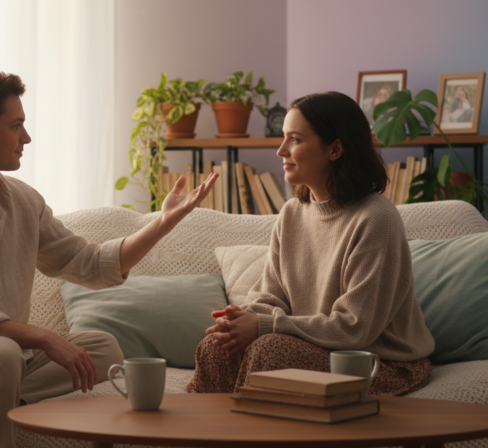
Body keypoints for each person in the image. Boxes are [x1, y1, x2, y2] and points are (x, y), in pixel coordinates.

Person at [0, 67, 217, 448]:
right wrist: (43, 337)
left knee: (102, 349)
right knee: (0, 356)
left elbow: (89, 264)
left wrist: (162, 223)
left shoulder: (23, 201)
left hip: (1, 356)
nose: (26, 138)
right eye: (16, 126)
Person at [185, 91, 435, 396]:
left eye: (295, 140)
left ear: (335, 149)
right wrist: (240, 321)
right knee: (215, 348)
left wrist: (264, 326)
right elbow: (270, 297)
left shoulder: (376, 218)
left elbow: (355, 327)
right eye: (283, 138)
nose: (281, 151)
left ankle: (243, 425)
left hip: (378, 363)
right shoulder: (292, 214)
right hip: (318, 348)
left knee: (270, 350)